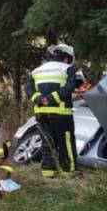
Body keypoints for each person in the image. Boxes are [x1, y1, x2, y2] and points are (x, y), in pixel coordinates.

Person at [24, 43, 78, 178]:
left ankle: (48, 172)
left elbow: (28, 89)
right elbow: (69, 87)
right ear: (66, 59)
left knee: (47, 143)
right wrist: (51, 98)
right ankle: (69, 172)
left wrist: (40, 99)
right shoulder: (68, 69)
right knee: (65, 143)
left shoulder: (37, 70)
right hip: (61, 114)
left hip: (41, 113)